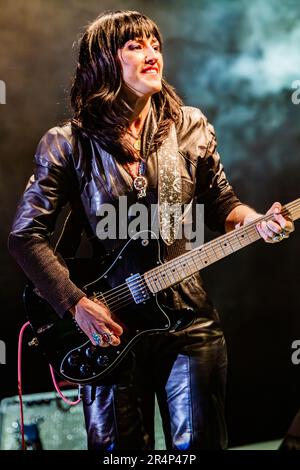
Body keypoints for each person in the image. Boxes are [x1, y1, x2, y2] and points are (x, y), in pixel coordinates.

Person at [8, 10, 294, 451]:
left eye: (155, 44)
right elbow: (26, 236)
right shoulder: (67, 142)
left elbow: (222, 203)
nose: (152, 53)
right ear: (104, 62)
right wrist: (75, 304)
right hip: (108, 326)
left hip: (189, 321)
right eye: (135, 46)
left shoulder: (190, 126)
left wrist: (256, 223)